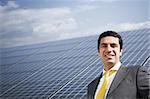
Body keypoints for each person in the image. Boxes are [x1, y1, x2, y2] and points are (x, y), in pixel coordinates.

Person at [87, 31, 150, 99]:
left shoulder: (136, 74)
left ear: (120, 51)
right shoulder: (91, 86)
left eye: (113, 45)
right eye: (104, 46)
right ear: (98, 52)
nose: (109, 49)